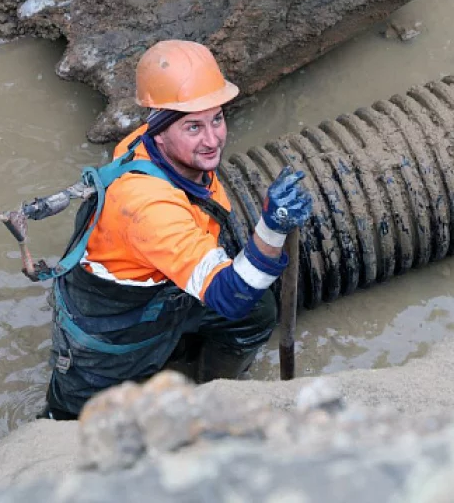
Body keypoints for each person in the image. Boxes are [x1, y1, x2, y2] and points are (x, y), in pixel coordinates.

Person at [40, 39, 314, 420]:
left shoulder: (157, 146)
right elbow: (231, 297)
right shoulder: (149, 206)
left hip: (165, 287)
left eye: (216, 118)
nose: (213, 139)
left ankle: (210, 394)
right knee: (78, 422)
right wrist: (270, 228)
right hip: (112, 330)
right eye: (193, 126)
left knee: (255, 317)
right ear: (161, 129)